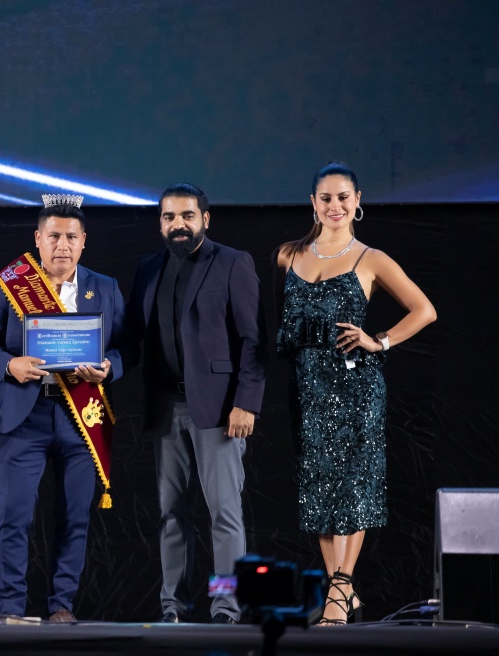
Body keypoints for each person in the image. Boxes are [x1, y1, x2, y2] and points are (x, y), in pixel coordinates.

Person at [276, 161, 435, 625]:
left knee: (353, 486)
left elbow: (424, 310)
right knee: (320, 489)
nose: (335, 206)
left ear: (357, 200)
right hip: (308, 388)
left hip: (355, 388)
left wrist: (379, 340)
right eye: (326, 198)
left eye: (343, 197)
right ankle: (342, 593)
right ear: (313, 203)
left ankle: (340, 590)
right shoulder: (289, 256)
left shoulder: (372, 259)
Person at [0, 195, 125, 622]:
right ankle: (11, 609)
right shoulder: (13, 283)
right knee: (14, 515)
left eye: (71, 237)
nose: (62, 245)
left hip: (81, 417)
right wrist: (9, 365)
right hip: (26, 414)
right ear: (37, 239)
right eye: (53, 236)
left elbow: (125, 346)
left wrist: (110, 367)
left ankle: (61, 605)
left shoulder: (105, 287)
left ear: (84, 241)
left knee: (75, 517)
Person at [124, 182, 265, 624]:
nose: (178, 224)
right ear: (160, 223)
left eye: (187, 216)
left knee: (223, 515)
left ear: (205, 219)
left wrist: (247, 402)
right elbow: (131, 338)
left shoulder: (233, 263)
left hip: (220, 412)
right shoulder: (149, 268)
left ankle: (225, 606)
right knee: (171, 515)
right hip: (166, 409)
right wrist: (105, 364)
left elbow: (254, 339)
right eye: (169, 217)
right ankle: (174, 608)